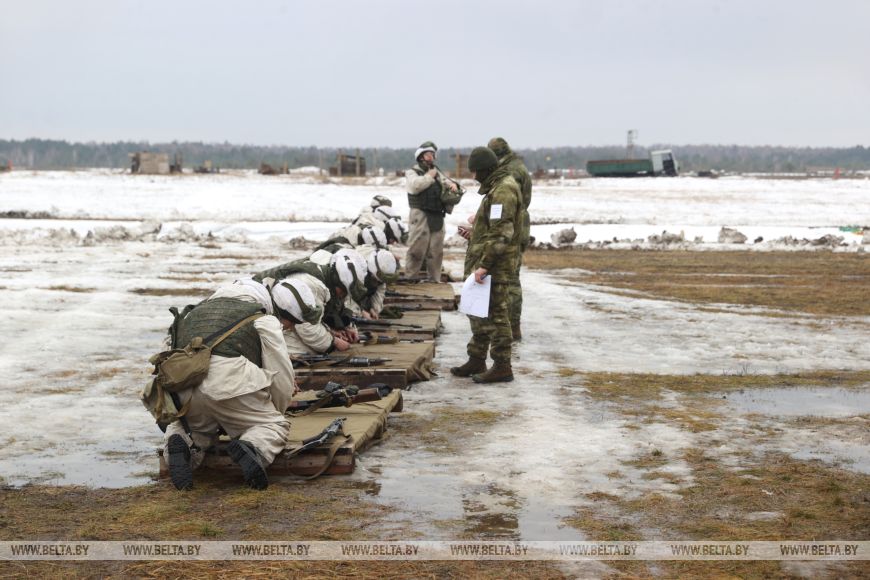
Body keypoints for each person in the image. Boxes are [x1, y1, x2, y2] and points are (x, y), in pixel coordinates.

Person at [164, 277, 318, 491]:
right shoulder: (262, 319)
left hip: (185, 388)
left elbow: (168, 357)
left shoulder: (191, 314)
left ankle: (181, 443)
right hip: (230, 383)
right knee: (272, 426)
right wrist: (274, 411)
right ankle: (252, 447)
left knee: (193, 429)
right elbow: (281, 377)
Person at [450, 146, 522, 383]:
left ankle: (502, 365)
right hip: (487, 261)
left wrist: (485, 265)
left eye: (475, 172)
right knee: (478, 311)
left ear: (485, 170)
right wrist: (476, 234)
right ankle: (477, 358)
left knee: (496, 314)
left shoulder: (504, 190)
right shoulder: (496, 188)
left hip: (496, 265)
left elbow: (502, 232)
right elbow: (492, 227)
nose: (473, 177)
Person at [253, 250, 368, 355]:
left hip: (276, 315)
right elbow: (306, 326)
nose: (343, 296)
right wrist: (333, 343)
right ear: (338, 283)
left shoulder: (327, 276)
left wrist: (334, 331)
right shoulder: (313, 284)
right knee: (304, 350)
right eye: (343, 292)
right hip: (257, 316)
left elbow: (314, 317)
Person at [487, 137, 532, 341]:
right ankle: (510, 324)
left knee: (510, 280)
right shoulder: (518, 166)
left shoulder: (509, 172)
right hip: (518, 225)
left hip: (511, 228)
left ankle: (512, 325)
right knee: (512, 278)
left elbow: (508, 204)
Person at [404, 141, 463, 281]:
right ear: (420, 156)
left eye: (432, 154)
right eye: (428, 154)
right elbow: (414, 187)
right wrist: (429, 176)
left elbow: (446, 184)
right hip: (420, 214)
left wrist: (453, 186)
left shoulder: (438, 173)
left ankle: (434, 279)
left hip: (437, 215)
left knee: (436, 251)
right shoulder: (412, 172)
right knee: (416, 249)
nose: (431, 157)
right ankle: (410, 277)